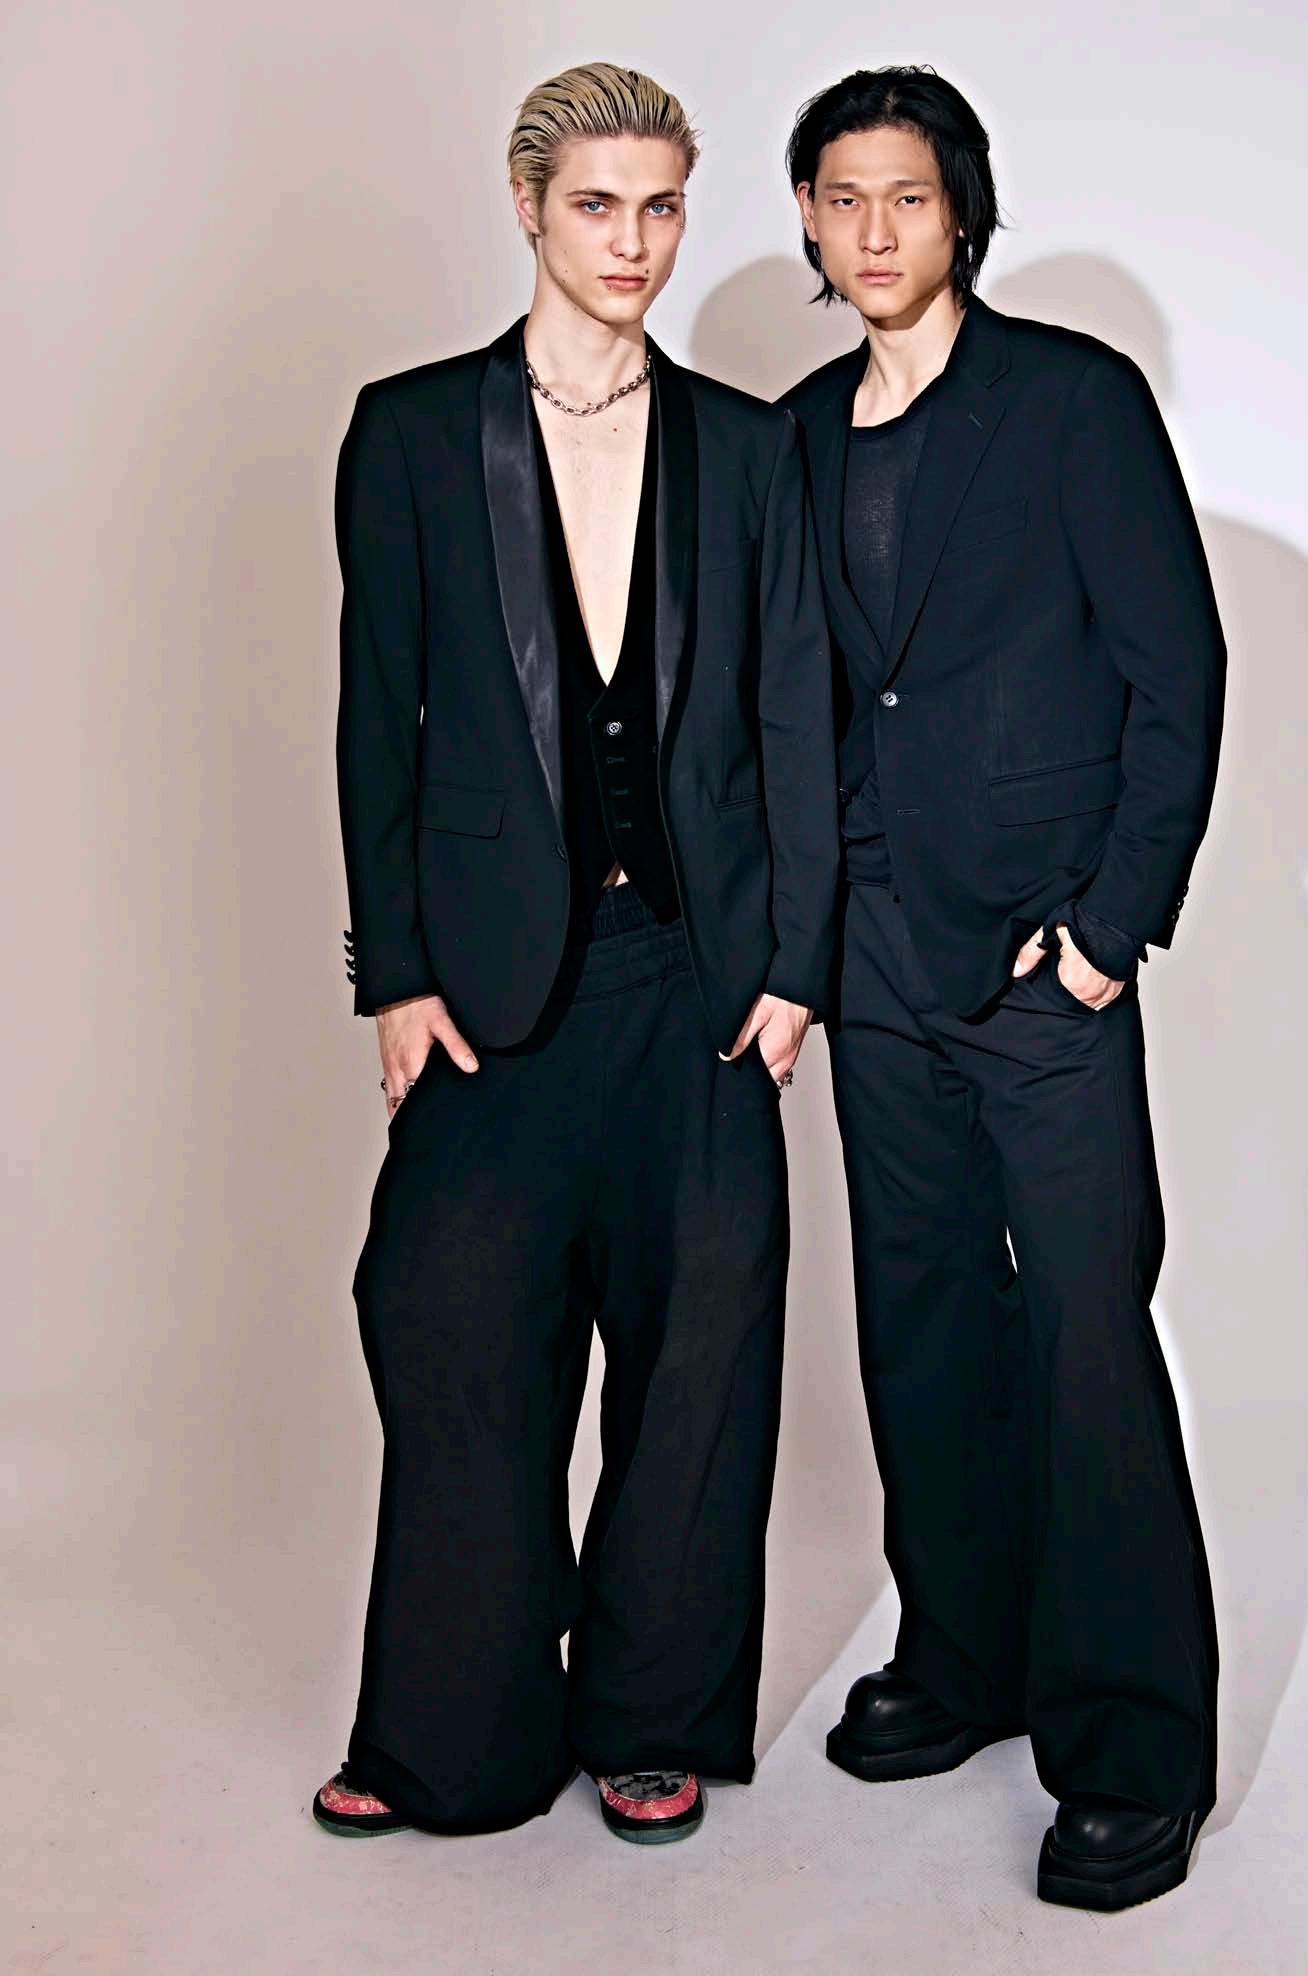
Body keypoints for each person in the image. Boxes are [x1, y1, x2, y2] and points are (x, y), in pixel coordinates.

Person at [314, 60, 837, 1847]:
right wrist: (393, 973)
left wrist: (792, 968)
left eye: (661, 207)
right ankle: (453, 1734)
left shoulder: (748, 449)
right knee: (450, 1323)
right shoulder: (409, 431)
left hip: (699, 977)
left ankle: (649, 1713)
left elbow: (792, 719)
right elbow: (376, 719)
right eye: (599, 204)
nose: (633, 241)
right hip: (490, 982)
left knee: (698, 1357)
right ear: (528, 205)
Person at [780, 67, 1225, 1911]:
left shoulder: (1069, 401)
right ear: (807, 225)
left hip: (1043, 959)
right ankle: (966, 1657)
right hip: (870, 955)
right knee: (924, 1319)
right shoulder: (795, 433)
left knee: (1086, 1337)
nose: (873, 231)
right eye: (840, 199)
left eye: (905, 195)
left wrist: (1112, 927)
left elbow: (1177, 670)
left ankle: (1127, 1747)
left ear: (960, 207)